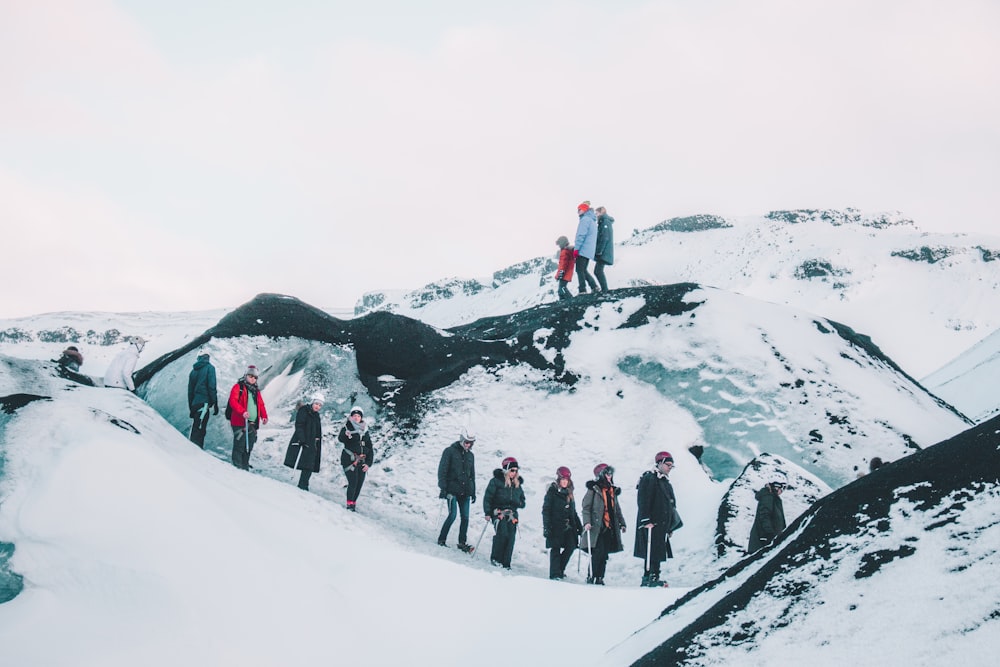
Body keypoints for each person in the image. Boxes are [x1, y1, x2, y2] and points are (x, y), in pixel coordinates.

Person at [635, 451, 682, 587]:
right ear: (660, 463)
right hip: (651, 522)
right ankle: (649, 577)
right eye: (668, 465)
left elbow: (670, 503)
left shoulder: (664, 481)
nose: (669, 468)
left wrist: (670, 526)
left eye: (671, 466)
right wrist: (645, 520)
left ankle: (655, 576)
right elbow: (643, 500)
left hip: (661, 523)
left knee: (658, 549)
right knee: (651, 550)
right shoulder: (649, 478)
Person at [580, 462, 627, 585]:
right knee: (597, 552)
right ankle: (592, 575)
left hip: (610, 526)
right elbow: (586, 507)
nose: (609, 476)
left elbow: (616, 509)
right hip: (597, 526)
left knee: (605, 553)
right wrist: (587, 522)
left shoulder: (612, 491)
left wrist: (622, 523)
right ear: (601, 475)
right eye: (607, 473)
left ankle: (600, 577)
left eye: (611, 473)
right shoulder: (594, 489)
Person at [437, 429, 477, 552]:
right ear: (461, 440)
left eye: (471, 442)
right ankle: (442, 539)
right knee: (452, 515)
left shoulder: (471, 456)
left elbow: (472, 475)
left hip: (465, 491)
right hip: (452, 489)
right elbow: (442, 470)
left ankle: (462, 543)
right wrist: (443, 488)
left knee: (465, 517)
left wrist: (473, 491)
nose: (468, 445)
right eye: (466, 442)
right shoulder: (449, 451)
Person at [483, 457, 526, 569]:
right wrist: (488, 512)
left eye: (516, 470)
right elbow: (488, 497)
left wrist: (517, 503)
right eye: (512, 470)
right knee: (502, 534)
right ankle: (496, 558)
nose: (514, 473)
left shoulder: (517, 484)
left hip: (512, 514)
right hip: (499, 512)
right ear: (506, 470)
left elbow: (522, 501)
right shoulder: (496, 481)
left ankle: (506, 562)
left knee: (511, 537)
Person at [542, 466, 582, 580]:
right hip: (555, 526)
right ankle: (555, 573)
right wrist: (546, 527)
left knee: (571, 546)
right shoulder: (552, 492)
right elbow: (546, 510)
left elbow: (573, 512)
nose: (564, 482)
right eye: (562, 479)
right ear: (558, 479)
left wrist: (579, 527)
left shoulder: (569, 493)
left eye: (566, 480)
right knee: (555, 548)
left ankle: (560, 569)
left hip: (568, 526)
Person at [228, 365, 268, 470]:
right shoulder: (238, 387)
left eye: (255, 377)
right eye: (251, 376)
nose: (253, 379)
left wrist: (264, 416)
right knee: (240, 445)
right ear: (246, 375)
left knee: (249, 446)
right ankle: (237, 467)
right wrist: (242, 411)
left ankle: (244, 467)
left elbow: (261, 405)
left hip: (252, 423)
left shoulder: (256, 391)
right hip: (240, 421)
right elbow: (233, 401)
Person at [284, 394, 324, 491]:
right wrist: (302, 439)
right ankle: (303, 484)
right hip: (304, 440)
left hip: (312, 443)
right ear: (312, 402)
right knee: (304, 462)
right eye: (316, 404)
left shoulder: (316, 415)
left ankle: (304, 484)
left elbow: (317, 429)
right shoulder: (304, 411)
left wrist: (318, 438)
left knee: (310, 464)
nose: (317, 406)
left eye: (319, 405)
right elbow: (299, 425)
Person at [339, 406, 374, 511]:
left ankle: (353, 503)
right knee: (353, 482)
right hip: (349, 460)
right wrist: (346, 435)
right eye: (354, 415)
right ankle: (349, 503)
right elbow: (341, 439)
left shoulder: (365, 430)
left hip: (362, 461)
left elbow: (370, 447)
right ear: (351, 416)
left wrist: (368, 463)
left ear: (361, 417)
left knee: (359, 484)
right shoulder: (347, 428)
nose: (356, 417)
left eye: (358, 416)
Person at [187, 352, 218, 448]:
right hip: (204, 403)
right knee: (200, 429)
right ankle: (196, 452)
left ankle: (192, 447)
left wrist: (191, 407)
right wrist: (215, 402)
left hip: (195, 403)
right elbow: (211, 386)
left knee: (196, 427)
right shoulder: (210, 368)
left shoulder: (193, 371)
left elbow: (190, 391)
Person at [747, 478, 786, 553]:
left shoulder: (772, 497)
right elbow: (765, 515)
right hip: (764, 538)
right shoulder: (768, 497)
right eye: (781, 489)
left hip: (766, 537)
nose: (782, 492)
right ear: (777, 488)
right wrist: (768, 533)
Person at [573, 201, 599, 294]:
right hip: (589, 250)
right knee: (583, 269)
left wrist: (576, 249)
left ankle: (582, 290)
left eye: (579, 210)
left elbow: (581, 235)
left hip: (583, 249)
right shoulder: (592, 220)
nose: (578, 212)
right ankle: (594, 287)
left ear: (584, 209)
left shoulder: (585, 220)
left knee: (579, 269)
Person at [594, 206, 615, 292]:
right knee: (598, 271)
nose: (596, 215)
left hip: (604, 251)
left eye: (597, 213)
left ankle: (605, 290)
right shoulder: (603, 222)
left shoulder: (605, 222)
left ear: (601, 212)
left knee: (598, 271)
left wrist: (599, 251)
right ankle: (604, 289)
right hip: (604, 251)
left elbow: (605, 237)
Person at [555, 236, 575, 300]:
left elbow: (563, 264)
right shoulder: (568, 251)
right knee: (562, 288)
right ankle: (563, 300)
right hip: (567, 272)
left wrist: (560, 273)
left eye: (559, 244)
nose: (559, 246)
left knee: (562, 288)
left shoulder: (564, 252)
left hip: (565, 273)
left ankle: (569, 299)